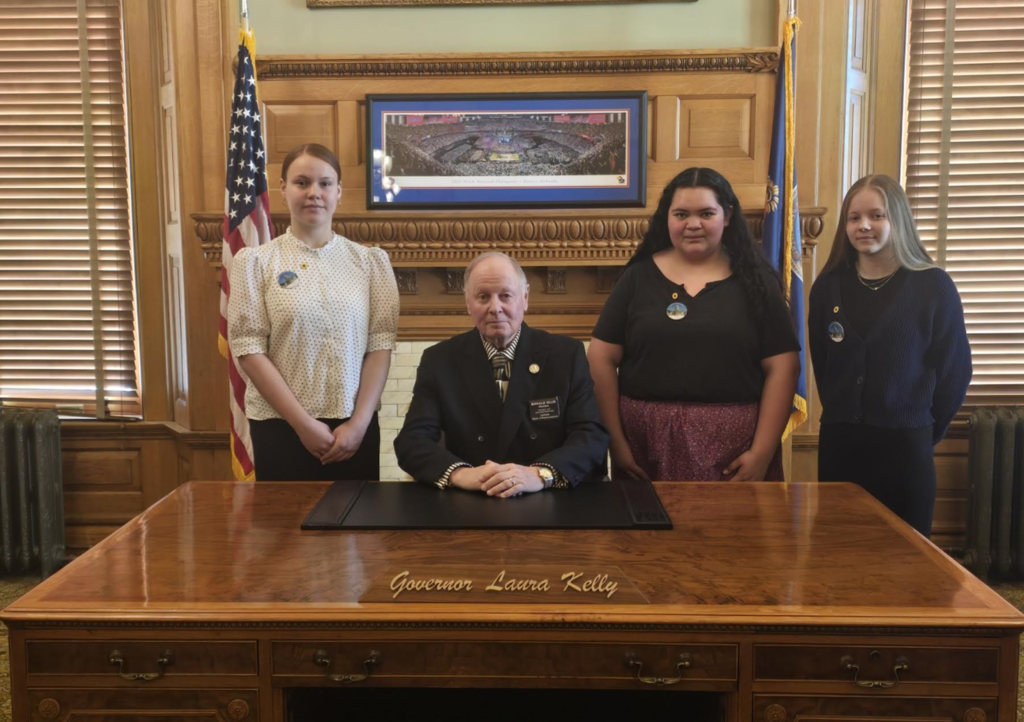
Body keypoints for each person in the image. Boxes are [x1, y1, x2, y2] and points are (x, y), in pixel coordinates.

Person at [588, 167, 801, 482]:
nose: (693, 224)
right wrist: (616, 444)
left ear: (726, 216)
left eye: (706, 213)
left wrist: (762, 453)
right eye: (681, 214)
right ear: (668, 218)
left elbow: (784, 367)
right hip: (645, 446)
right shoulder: (637, 278)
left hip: (736, 449)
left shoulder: (757, 282)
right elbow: (600, 358)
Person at [808, 174, 971, 536]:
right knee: (838, 552)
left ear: (897, 219)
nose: (864, 225)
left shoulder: (933, 286)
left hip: (905, 449)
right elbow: (824, 366)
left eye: (877, 216)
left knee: (907, 563)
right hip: (841, 447)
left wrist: (922, 428)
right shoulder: (827, 287)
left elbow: (955, 373)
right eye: (854, 218)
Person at [228, 143, 399, 481]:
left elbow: (380, 345)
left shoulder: (369, 263)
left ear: (338, 192)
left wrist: (359, 424)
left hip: (354, 430)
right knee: (286, 531)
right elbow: (249, 349)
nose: (313, 193)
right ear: (282, 189)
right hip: (282, 426)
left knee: (356, 527)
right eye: (301, 182)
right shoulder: (255, 262)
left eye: (324, 183)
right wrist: (303, 425)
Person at [394, 252, 609, 497]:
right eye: (483, 297)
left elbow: (590, 436)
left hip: (548, 496)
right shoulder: (439, 360)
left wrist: (539, 475)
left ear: (525, 298)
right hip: (472, 499)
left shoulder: (566, 355)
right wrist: (461, 474)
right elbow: (412, 441)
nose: (495, 308)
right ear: (468, 303)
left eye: (506, 295)